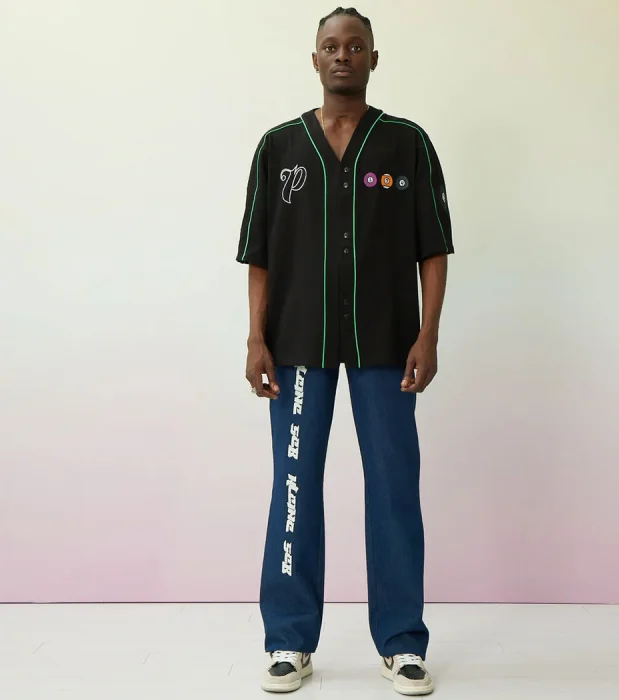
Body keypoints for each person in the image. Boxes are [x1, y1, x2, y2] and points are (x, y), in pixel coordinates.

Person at [236, 6, 454, 695]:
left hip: (387, 345)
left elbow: (433, 249)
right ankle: (289, 639)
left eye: (355, 46)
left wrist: (428, 333)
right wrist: (256, 337)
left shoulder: (406, 144)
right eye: (330, 45)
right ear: (314, 59)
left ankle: (402, 642)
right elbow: (260, 254)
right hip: (297, 347)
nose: (342, 55)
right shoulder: (279, 147)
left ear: (373, 58)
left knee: (394, 488)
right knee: (295, 488)